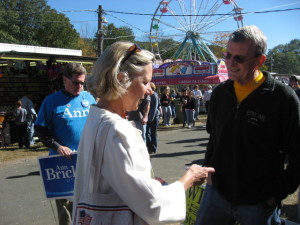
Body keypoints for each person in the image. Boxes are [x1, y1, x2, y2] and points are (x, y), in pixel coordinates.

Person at [73, 41, 215, 225]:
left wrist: (151, 184)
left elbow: (115, 183)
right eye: (145, 82)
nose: (149, 91)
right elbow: (152, 206)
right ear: (122, 80)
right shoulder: (116, 129)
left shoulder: (96, 118)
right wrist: (188, 179)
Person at [195, 25, 300, 225]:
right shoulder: (219, 94)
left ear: (260, 61)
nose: (230, 63)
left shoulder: (282, 98)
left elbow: (298, 153)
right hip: (217, 193)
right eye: (227, 55)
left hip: (258, 200)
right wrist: (209, 172)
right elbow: (214, 139)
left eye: (239, 58)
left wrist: (276, 193)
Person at [34, 63, 96, 225]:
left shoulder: (89, 98)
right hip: (62, 166)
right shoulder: (51, 101)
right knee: (66, 214)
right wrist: (58, 146)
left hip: (87, 161)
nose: (80, 86)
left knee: (89, 208)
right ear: (65, 80)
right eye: (76, 82)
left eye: (83, 83)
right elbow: (40, 129)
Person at [146, 82, 162, 154]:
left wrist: (149, 119)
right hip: (148, 117)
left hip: (154, 117)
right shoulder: (147, 95)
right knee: (146, 133)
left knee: (153, 133)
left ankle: (154, 148)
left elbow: (154, 109)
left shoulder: (154, 95)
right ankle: (150, 147)